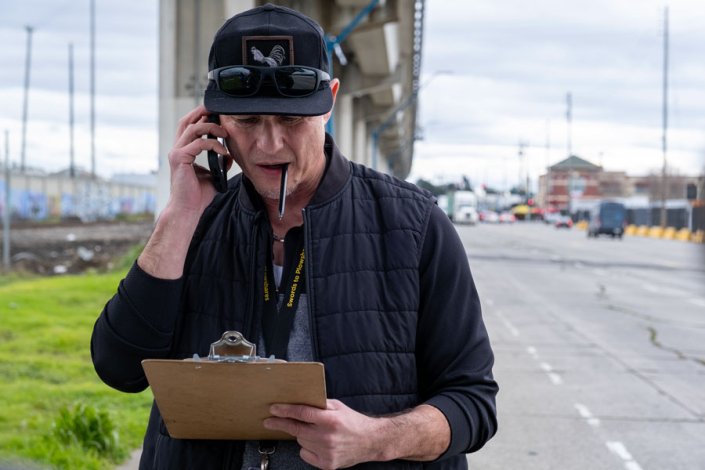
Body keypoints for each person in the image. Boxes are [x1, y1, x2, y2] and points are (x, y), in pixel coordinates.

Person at [91, 4, 497, 469]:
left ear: (330, 103)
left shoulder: (414, 225)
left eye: (290, 120)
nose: (269, 144)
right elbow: (118, 368)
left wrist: (375, 439)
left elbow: (473, 402)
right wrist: (178, 217)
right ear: (212, 121)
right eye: (246, 122)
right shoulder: (193, 224)